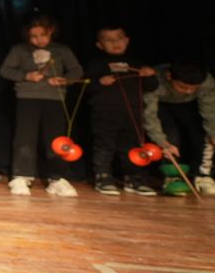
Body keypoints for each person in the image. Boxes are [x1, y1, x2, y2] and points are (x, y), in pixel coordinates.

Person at [0, 13, 84, 197]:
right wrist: (26, 76)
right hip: (27, 97)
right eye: (34, 36)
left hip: (55, 98)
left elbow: (76, 71)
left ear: (51, 31)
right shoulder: (19, 50)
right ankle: (21, 176)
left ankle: (57, 178)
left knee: (56, 140)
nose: (39, 40)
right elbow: (5, 70)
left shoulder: (61, 50)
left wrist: (65, 79)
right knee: (25, 138)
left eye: (43, 35)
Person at [83, 24, 159, 195]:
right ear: (100, 45)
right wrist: (99, 82)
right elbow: (84, 86)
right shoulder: (96, 64)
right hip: (105, 112)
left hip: (132, 112)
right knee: (105, 146)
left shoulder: (137, 63)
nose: (115, 43)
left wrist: (150, 76)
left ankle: (134, 178)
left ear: (127, 40)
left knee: (132, 147)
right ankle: (103, 177)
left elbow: (151, 86)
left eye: (119, 39)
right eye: (109, 40)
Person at [142, 58, 215, 196]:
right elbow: (149, 114)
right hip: (160, 105)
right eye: (183, 87)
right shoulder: (155, 79)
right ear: (169, 76)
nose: (188, 91)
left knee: (202, 135)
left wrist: (213, 133)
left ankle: (202, 175)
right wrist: (162, 142)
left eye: (194, 88)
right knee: (170, 136)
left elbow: (210, 111)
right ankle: (172, 176)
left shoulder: (206, 81)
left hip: (190, 105)